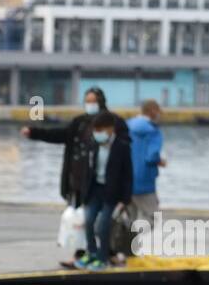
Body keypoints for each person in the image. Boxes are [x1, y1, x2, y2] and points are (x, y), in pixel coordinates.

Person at [21, 87, 129, 266]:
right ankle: (83, 254)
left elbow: (124, 152)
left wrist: (125, 193)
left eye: (93, 100)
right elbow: (60, 135)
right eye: (87, 100)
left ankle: (107, 253)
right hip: (81, 182)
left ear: (101, 101)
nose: (90, 104)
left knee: (105, 222)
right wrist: (34, 133)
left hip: (107, 184)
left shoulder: (115, 122)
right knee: (83, 221)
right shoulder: (79, 122)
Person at [79, 111, 133, 269]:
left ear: (111, 129)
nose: (98, 133)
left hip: (112, 192)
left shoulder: (122, 146)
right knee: (88, 221)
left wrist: (125, 199)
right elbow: (87, 170)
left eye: (101, 130)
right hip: (94, 189)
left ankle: (103, 258)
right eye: (95, 130)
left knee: (103, 226)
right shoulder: (93, 144)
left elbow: (128, 174)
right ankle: (91, 253)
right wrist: (83, 193)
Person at [127, 99, 166, 233]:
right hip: (144, 182)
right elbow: (151, 156)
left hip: (125, 179)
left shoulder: (128, 126)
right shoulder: (153, 131)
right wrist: (159, 161)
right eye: (158, 111)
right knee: (153, 218)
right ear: (152, 111)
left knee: (129, 218)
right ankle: (133, 240)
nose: (160, 115)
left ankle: (125, 248)